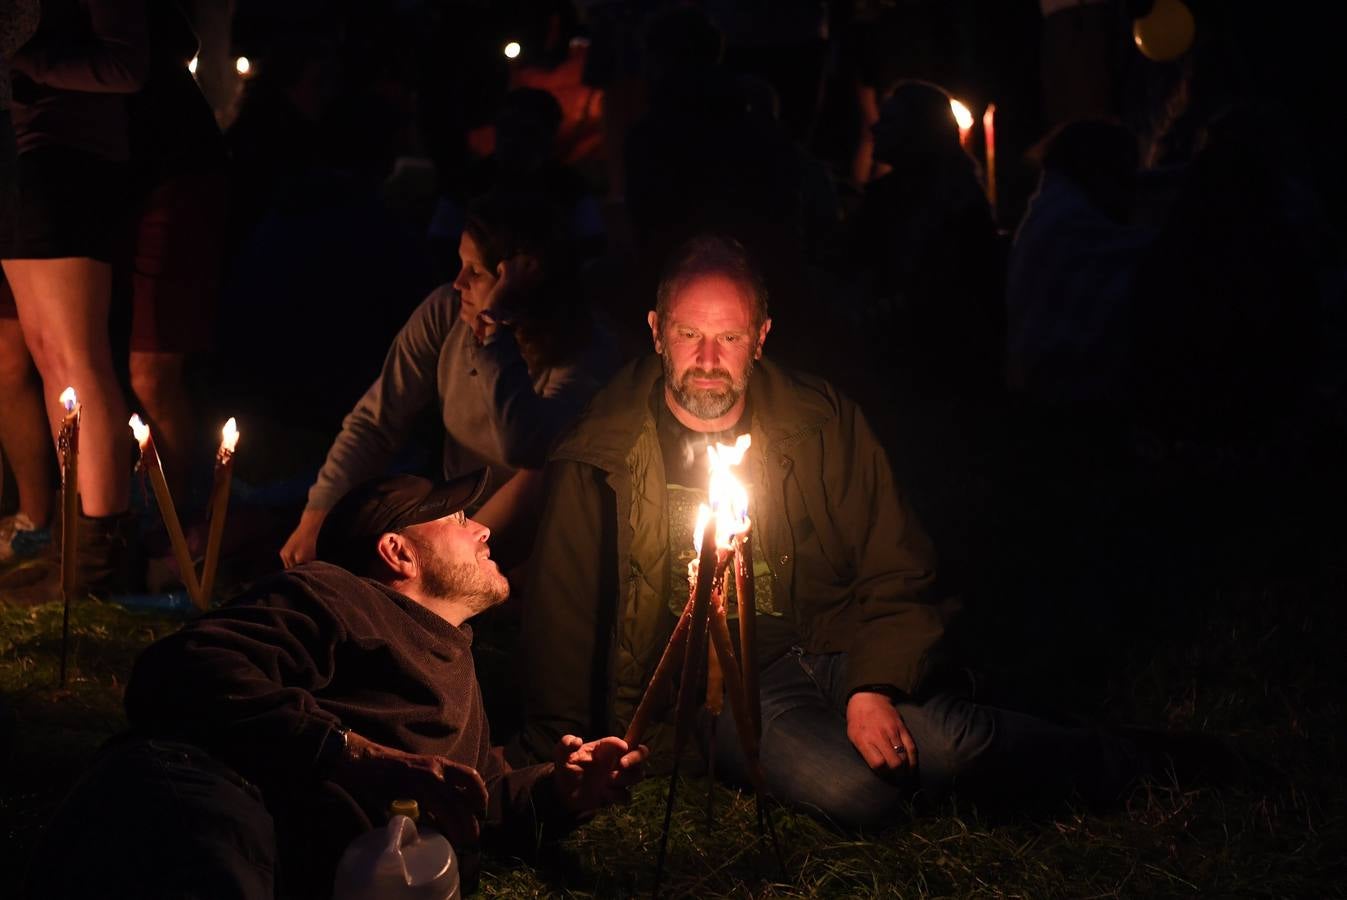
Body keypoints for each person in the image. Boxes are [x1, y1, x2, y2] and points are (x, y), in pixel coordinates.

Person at [513, 234, 1196, 826]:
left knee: (954, 744)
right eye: (690, 334)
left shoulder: (819, 420)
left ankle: (1142, 759)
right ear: (657, 331)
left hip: (834, 643)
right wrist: (556, 758)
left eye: (730, 337)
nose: (709, 359)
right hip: (731, 690)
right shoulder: (600, 453)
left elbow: (896, 565)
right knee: (855, 790)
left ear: (761, 337)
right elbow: (561, 616)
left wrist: (874, 686)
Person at [33, 471, 648, 898]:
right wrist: (355, 756)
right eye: (460, 519)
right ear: (398, 552)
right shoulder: (334, 594)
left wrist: (560, 790)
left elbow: (470, 792)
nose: (484, 529)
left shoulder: (454, 658)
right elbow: (182, 671)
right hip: (204, 800)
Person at [280, 189, 618, 572]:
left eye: (475, 271)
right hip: (457, 514)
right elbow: (377, 421)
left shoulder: (585, 353)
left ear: (520, 282)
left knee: (543, 470)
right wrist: (319, 513)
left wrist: (493, 331)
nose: (458, 282)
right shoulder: (447, 312)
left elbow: (525, 448)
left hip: (543, 541)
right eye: (460, 265)